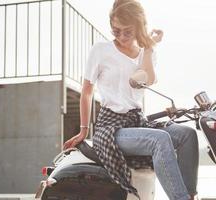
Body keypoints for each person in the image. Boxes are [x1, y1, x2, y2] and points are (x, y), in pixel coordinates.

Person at [63, 0, 198, 200]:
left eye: (128, 32)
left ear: (139, 28)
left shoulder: (146, 53)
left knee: (187, 134)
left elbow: (148, 79)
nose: (122, 37)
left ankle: (190, 195)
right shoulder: (101, 50)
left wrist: (150, 47)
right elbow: (87, 91)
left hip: (137, 121)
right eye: (116, 31)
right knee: (160, 140)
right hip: (112, 126)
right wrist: (83, 130)